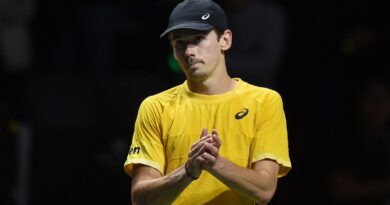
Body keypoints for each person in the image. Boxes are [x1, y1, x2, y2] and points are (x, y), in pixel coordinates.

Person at [123, 0, 291, 204]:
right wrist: (188, 171)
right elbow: (141, 198)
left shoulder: (264, 101)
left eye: (198, 39)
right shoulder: (155, 107)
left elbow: (264, 190)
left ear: (225, 40)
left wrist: (215, 163)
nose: (189, 52)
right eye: (179, 43)